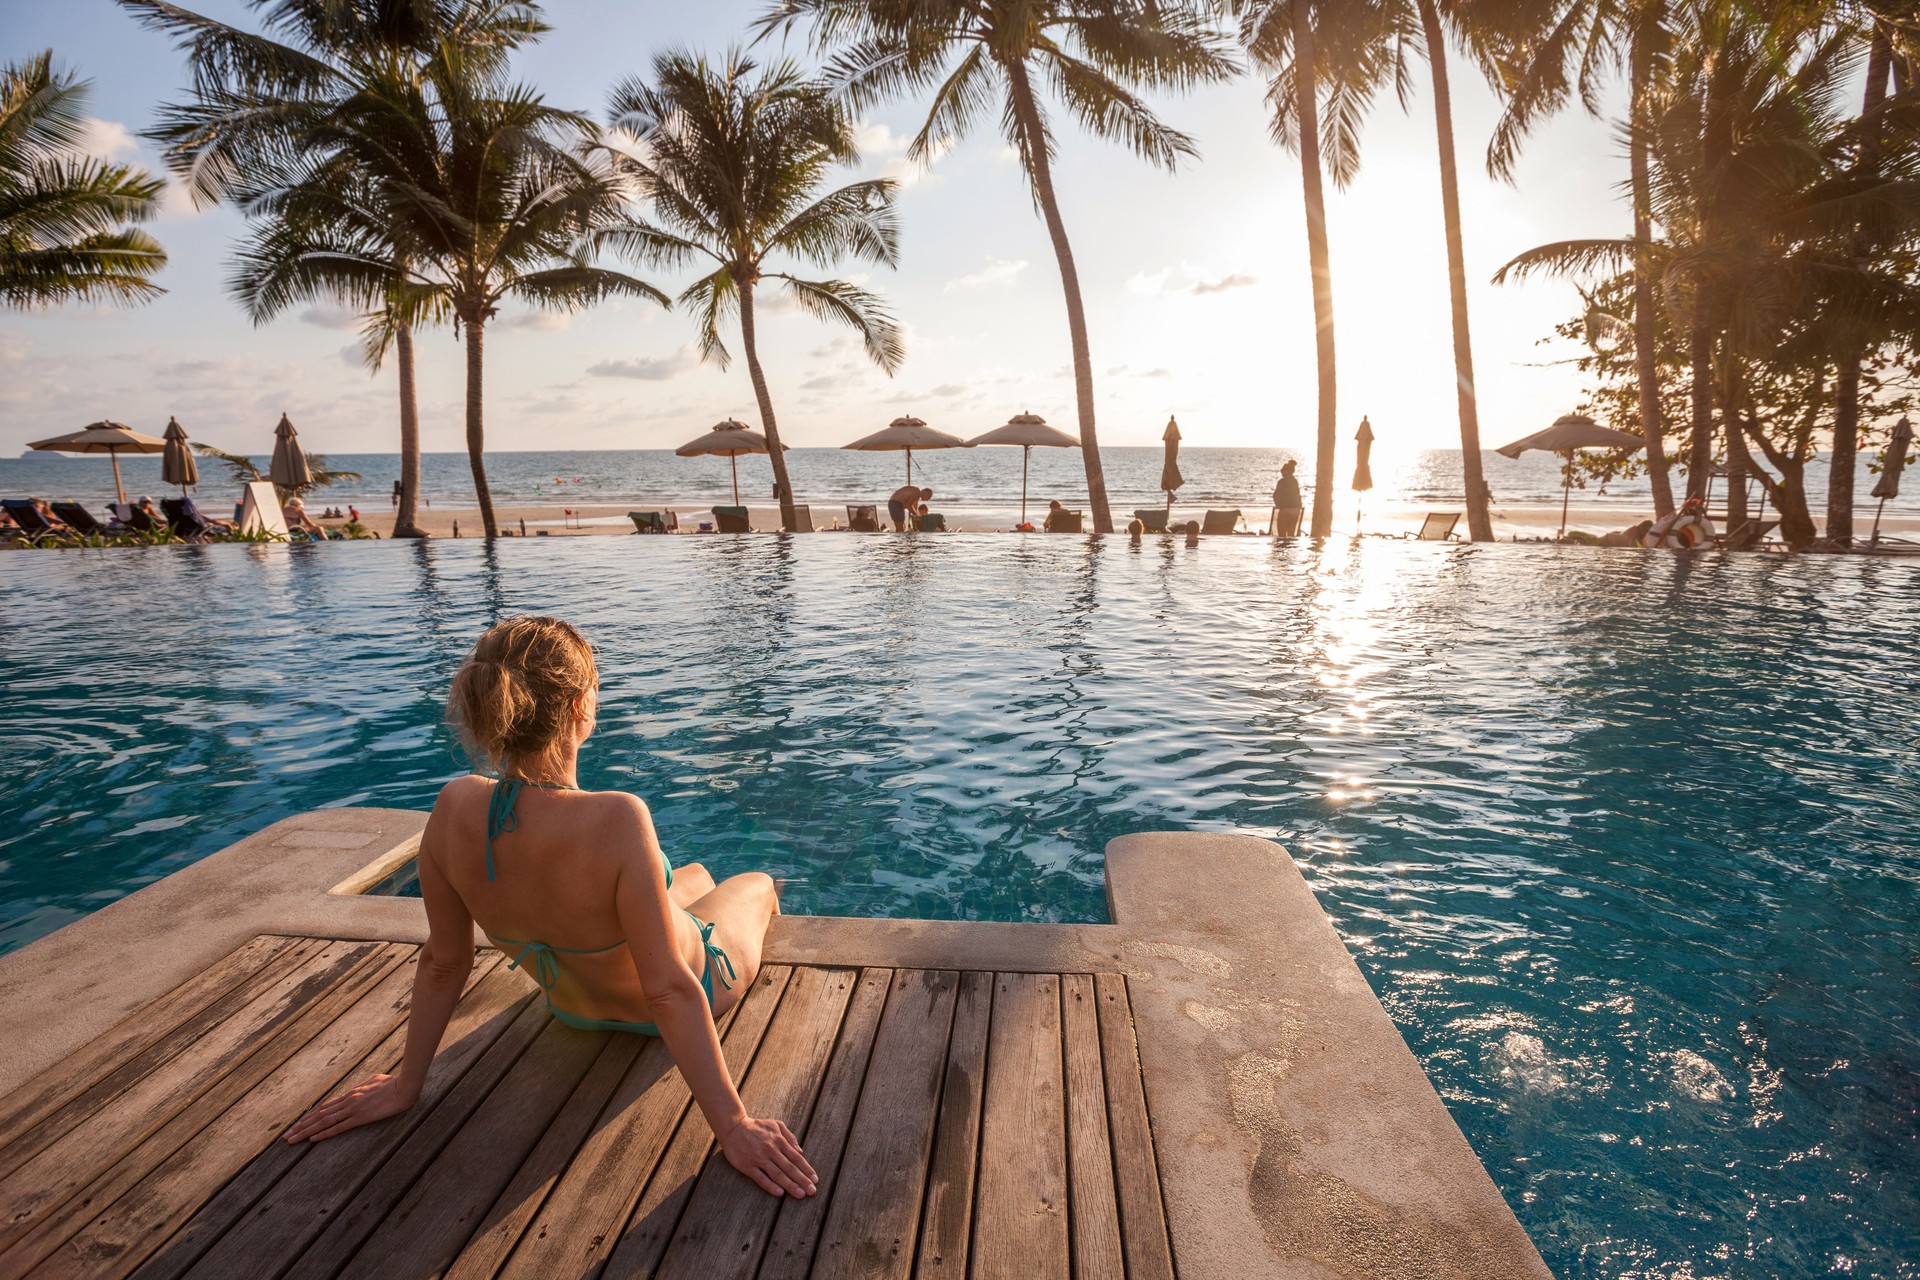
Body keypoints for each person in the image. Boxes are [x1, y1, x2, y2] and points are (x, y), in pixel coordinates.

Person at [282, 617, 815, 1199]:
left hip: (573, 1008)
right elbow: (669, 989)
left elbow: (443, 961)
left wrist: (405, 1084)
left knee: (692, 876)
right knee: (756, 882)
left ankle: (679, 895)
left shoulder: (455, 805)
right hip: (684, 993)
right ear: (582, 706)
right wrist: (733, 1127)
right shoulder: (618, 818)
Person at [1271, 461, 1303, 537]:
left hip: (1285, 509)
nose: (1281, 472)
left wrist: (1278, 505)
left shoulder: (1282, 482)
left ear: (1287, 471)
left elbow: (1276, 495)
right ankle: (1290, 548)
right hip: (1296, 510)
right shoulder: (1295, 481)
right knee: (1291, 534)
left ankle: (1283, 548)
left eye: (1282, 471)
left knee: (1282, 534)